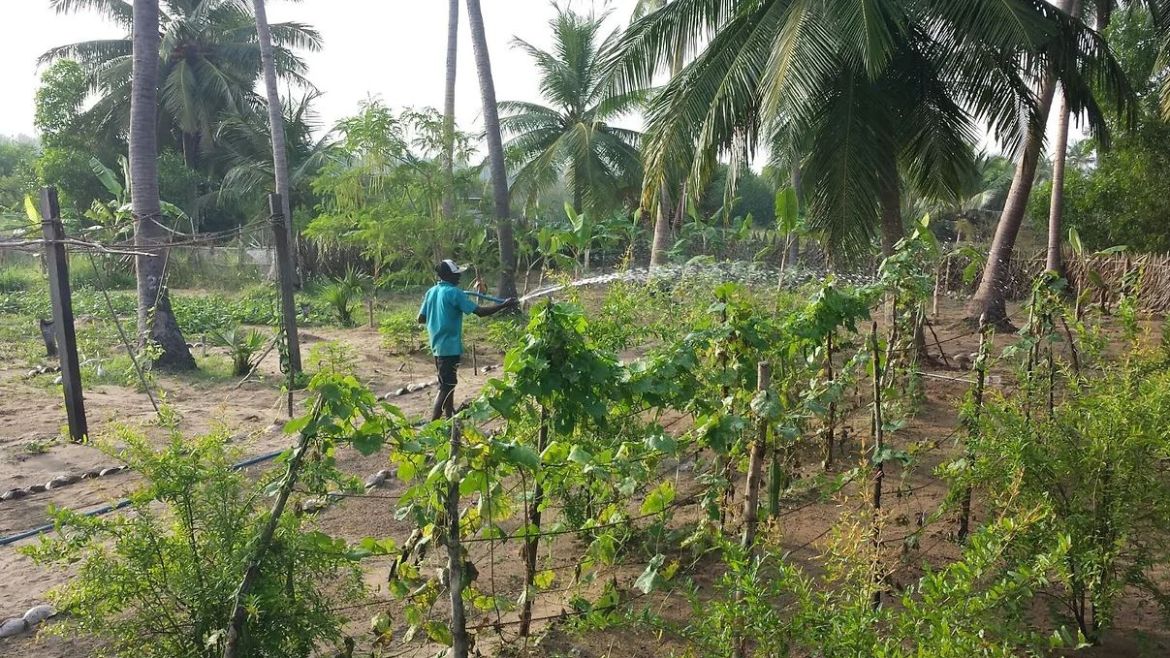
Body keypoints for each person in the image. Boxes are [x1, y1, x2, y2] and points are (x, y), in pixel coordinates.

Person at [418, 260, 516, 420]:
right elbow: (480, 312)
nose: (459, 276)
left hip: (437, 345)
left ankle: (449, 417)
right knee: (445, 387)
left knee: (448, 384)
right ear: (449, 275)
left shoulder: (432, 292)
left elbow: (421, 318)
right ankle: (433, 423)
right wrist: (504, 306)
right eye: (457, 274)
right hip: (449, 347)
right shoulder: (454, 293)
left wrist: (438, 316)